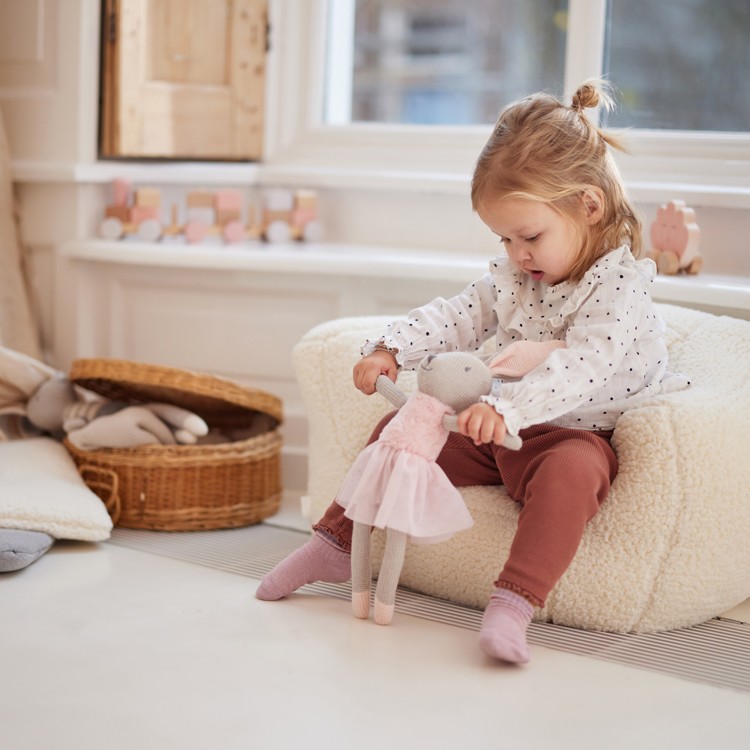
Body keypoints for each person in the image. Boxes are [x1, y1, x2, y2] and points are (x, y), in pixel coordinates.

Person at [255, 80, 686, 664]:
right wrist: (392, 348)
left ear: (589, 205)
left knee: (569, 477)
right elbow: (457, 315)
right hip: (495, 430)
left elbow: (583, 366)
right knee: (400, 432)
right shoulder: (515, 275)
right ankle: (335, 541)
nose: (516, 254)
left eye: (529, 236)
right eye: (503, 238)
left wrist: (507, 408)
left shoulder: (618, 286)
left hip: (577, 432)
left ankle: (513, 603)